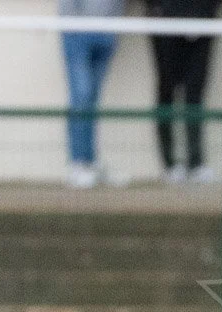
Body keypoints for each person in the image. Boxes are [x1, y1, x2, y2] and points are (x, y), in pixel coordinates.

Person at [146, 0, 222, 183]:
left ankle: (195, 163)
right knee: (167, 90)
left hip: (202, 19)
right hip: (164, 20)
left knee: (194, 93)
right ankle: (170, 164)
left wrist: (205, 9)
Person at [59, 0, 127, 189]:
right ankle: (78, 164)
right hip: (77, 31)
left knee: (92, 98)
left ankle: (90, 161)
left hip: (107, 32)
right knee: (81, 96)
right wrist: (73, 24)